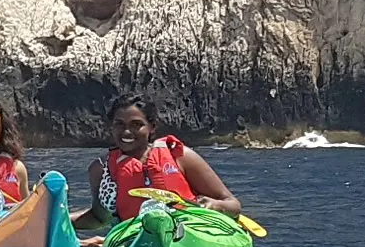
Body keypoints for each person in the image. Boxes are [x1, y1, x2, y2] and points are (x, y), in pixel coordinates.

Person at [75, 93, 244, 235]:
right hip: (135, 241)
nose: (127, 132)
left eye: (136, 125)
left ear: (152, 127)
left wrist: (216, 205)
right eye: (119, 124)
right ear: (110, 126)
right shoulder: (100, 169)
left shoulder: (179, 156)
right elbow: (98, 218)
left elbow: (233, 204)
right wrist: (57, 219)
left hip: (190, 233)